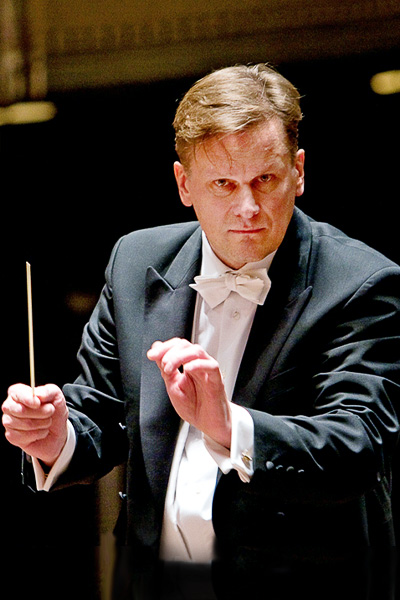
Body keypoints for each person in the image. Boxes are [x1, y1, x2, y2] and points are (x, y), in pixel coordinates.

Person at [2, 63, 400, 600]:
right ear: (184, 184)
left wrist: (229, 427)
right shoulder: (135, 260)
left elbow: (360, 447)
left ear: (299, 171)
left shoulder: (362, 282)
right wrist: (56, 437)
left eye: (266, 178)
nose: (248, 208)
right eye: (223, 184)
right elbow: (100, 409)